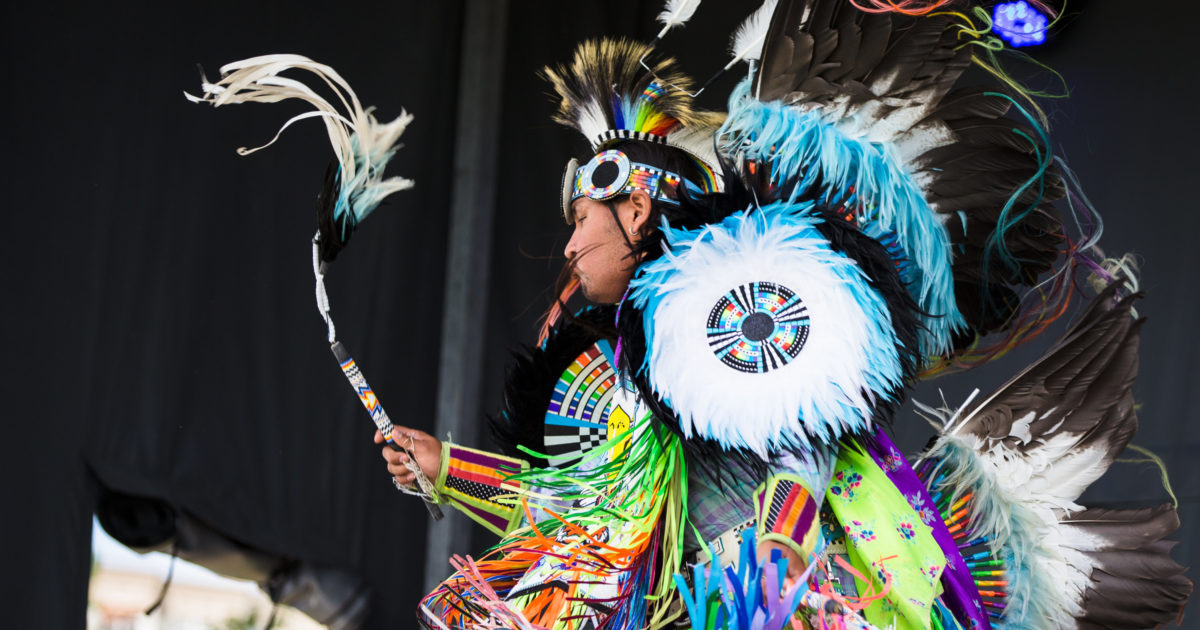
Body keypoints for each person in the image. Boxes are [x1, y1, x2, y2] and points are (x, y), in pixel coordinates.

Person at [382, 4, 1191, 630]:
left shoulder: (736, 296)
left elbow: (801, 451)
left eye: (580, 221)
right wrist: (446, 469)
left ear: (635, 207)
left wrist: (776, 555)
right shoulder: (606, 369)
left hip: (778, 598)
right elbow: (581, 517)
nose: (567, 247)